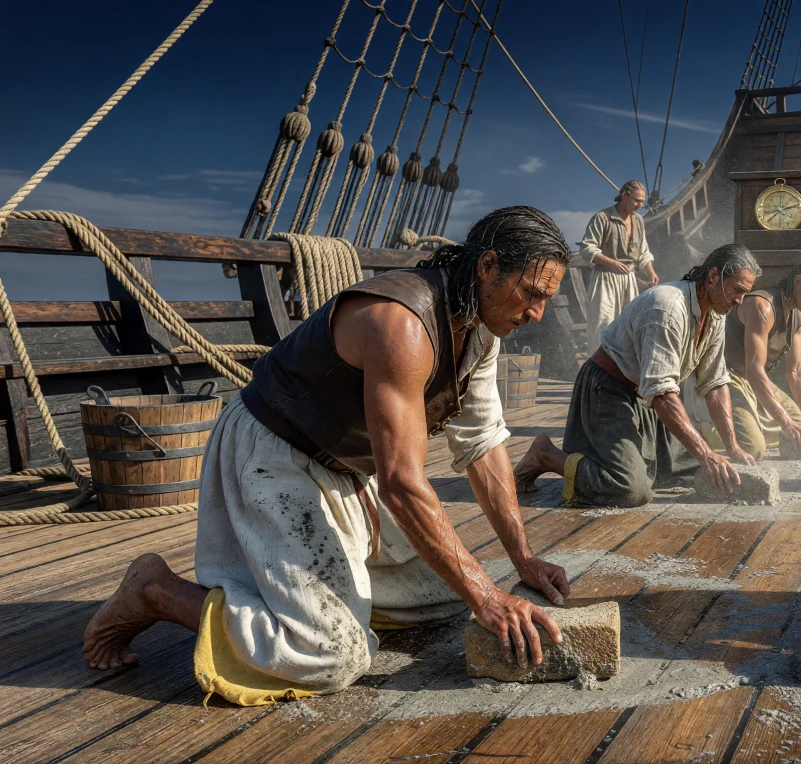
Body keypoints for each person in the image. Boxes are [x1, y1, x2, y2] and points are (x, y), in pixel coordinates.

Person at [82, 207, 577, 706]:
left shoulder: (480, 326)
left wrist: (524, 558)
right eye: (532, 293)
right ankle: (155, 591)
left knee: (447, 594)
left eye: (546, 300)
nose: (536, 313)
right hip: (276, 457)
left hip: (345, 471)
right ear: (488, 266)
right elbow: (402, 484)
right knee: (333, 653)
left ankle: (328, 596)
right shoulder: (401, 325)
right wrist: (488, 597)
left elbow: (484, 444)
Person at [514, 244, 761, 507]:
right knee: (629, 488)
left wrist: (732, 447)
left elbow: (715, 383)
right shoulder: (666, 307)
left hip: (645, 396)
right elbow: (662, 392)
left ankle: (650, 461)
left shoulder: (715, 313)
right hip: (608, 388)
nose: (739, 301)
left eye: (744, 293)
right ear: (713, 277)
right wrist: (706, 453)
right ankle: (545, 455)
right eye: (737, 290)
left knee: (684, 469)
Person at [689, 256, 801, 460]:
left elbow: (796, 369)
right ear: (799, 282)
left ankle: (755, 422)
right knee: (753, 447)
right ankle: (691, 426)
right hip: (724, 380)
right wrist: (784, 422)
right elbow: (754, 370)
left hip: (753, 381)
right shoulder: (761, 307)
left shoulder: (798, 316)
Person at [581, 179, 660, 349]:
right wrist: (611, 263)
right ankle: (599, 369)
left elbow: (643, 251)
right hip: (605, 279)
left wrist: (651, 273)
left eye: (642, 201)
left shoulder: (638, 221)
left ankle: (621, 370)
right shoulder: (603, 217)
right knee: (603, 324)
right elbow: (587, 248)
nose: (640, 205)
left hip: (628, 280)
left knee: (629, 325)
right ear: (624, 196)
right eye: (637, 200)